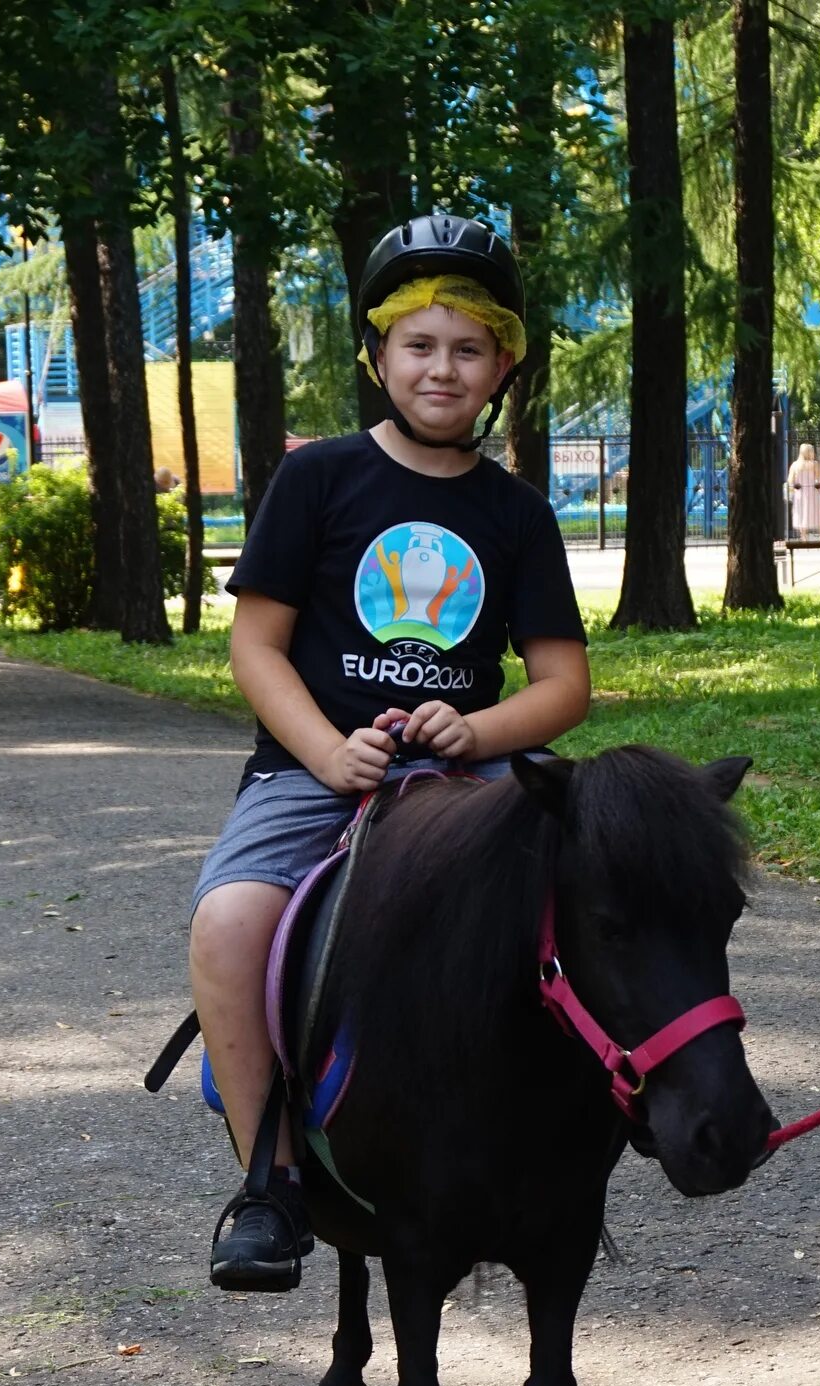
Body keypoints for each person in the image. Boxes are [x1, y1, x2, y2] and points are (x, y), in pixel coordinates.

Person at [189, 213, 592, 1291]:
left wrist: (480, 730)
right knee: (231, 922)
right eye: (418, 345)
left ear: (503, 364)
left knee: (594, 908)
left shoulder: (516, 515)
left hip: (467, 783)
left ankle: (580, 1129)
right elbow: (256, 644)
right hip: (314, 773)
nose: (441, 368)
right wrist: (325, 752)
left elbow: (564, 685)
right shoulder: (318, 481)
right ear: (377, 356)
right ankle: (267, 1185)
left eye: (468, 349)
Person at [788, 444, 820, 540]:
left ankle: (804, 537)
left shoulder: (795, 465)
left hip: (800, 492)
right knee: (818, 513)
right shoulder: (814, 464)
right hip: (812, 492)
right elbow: (819, 479)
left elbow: (790, 481)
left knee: (801, 514)